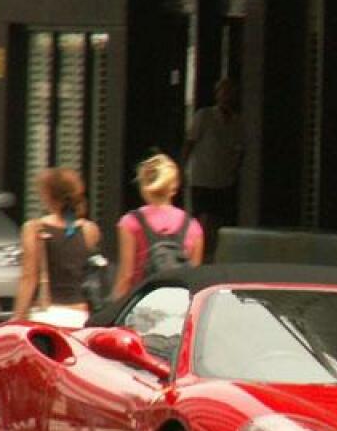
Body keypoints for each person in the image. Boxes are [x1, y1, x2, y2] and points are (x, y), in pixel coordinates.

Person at [13, 167, 102, 327]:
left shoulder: (34, 228)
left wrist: (17, 317)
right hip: (80, 314)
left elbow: (29, 277)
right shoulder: (89, 230)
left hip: (46, 314)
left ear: (48, 196)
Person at [113, 151, 203, 299]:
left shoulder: (130, 222)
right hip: (177, 306)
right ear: (174, 187)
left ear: (143, 185)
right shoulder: (193, 226)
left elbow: (126, 276)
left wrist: (113, 307)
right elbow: (195, 277)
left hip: (142, 303)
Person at [182, 77, 243, 259]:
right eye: (222, 92)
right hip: (202, 176)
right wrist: (183, 168)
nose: (226, 96)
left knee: (218, 219)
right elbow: (189, 143)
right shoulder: (204, 116)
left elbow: (240, 149)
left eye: (229, 92)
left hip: (223, 179)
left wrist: (234, 170)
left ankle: (213, 253)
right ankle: (197, 252)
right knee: (202, 217)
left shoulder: (237, 122)